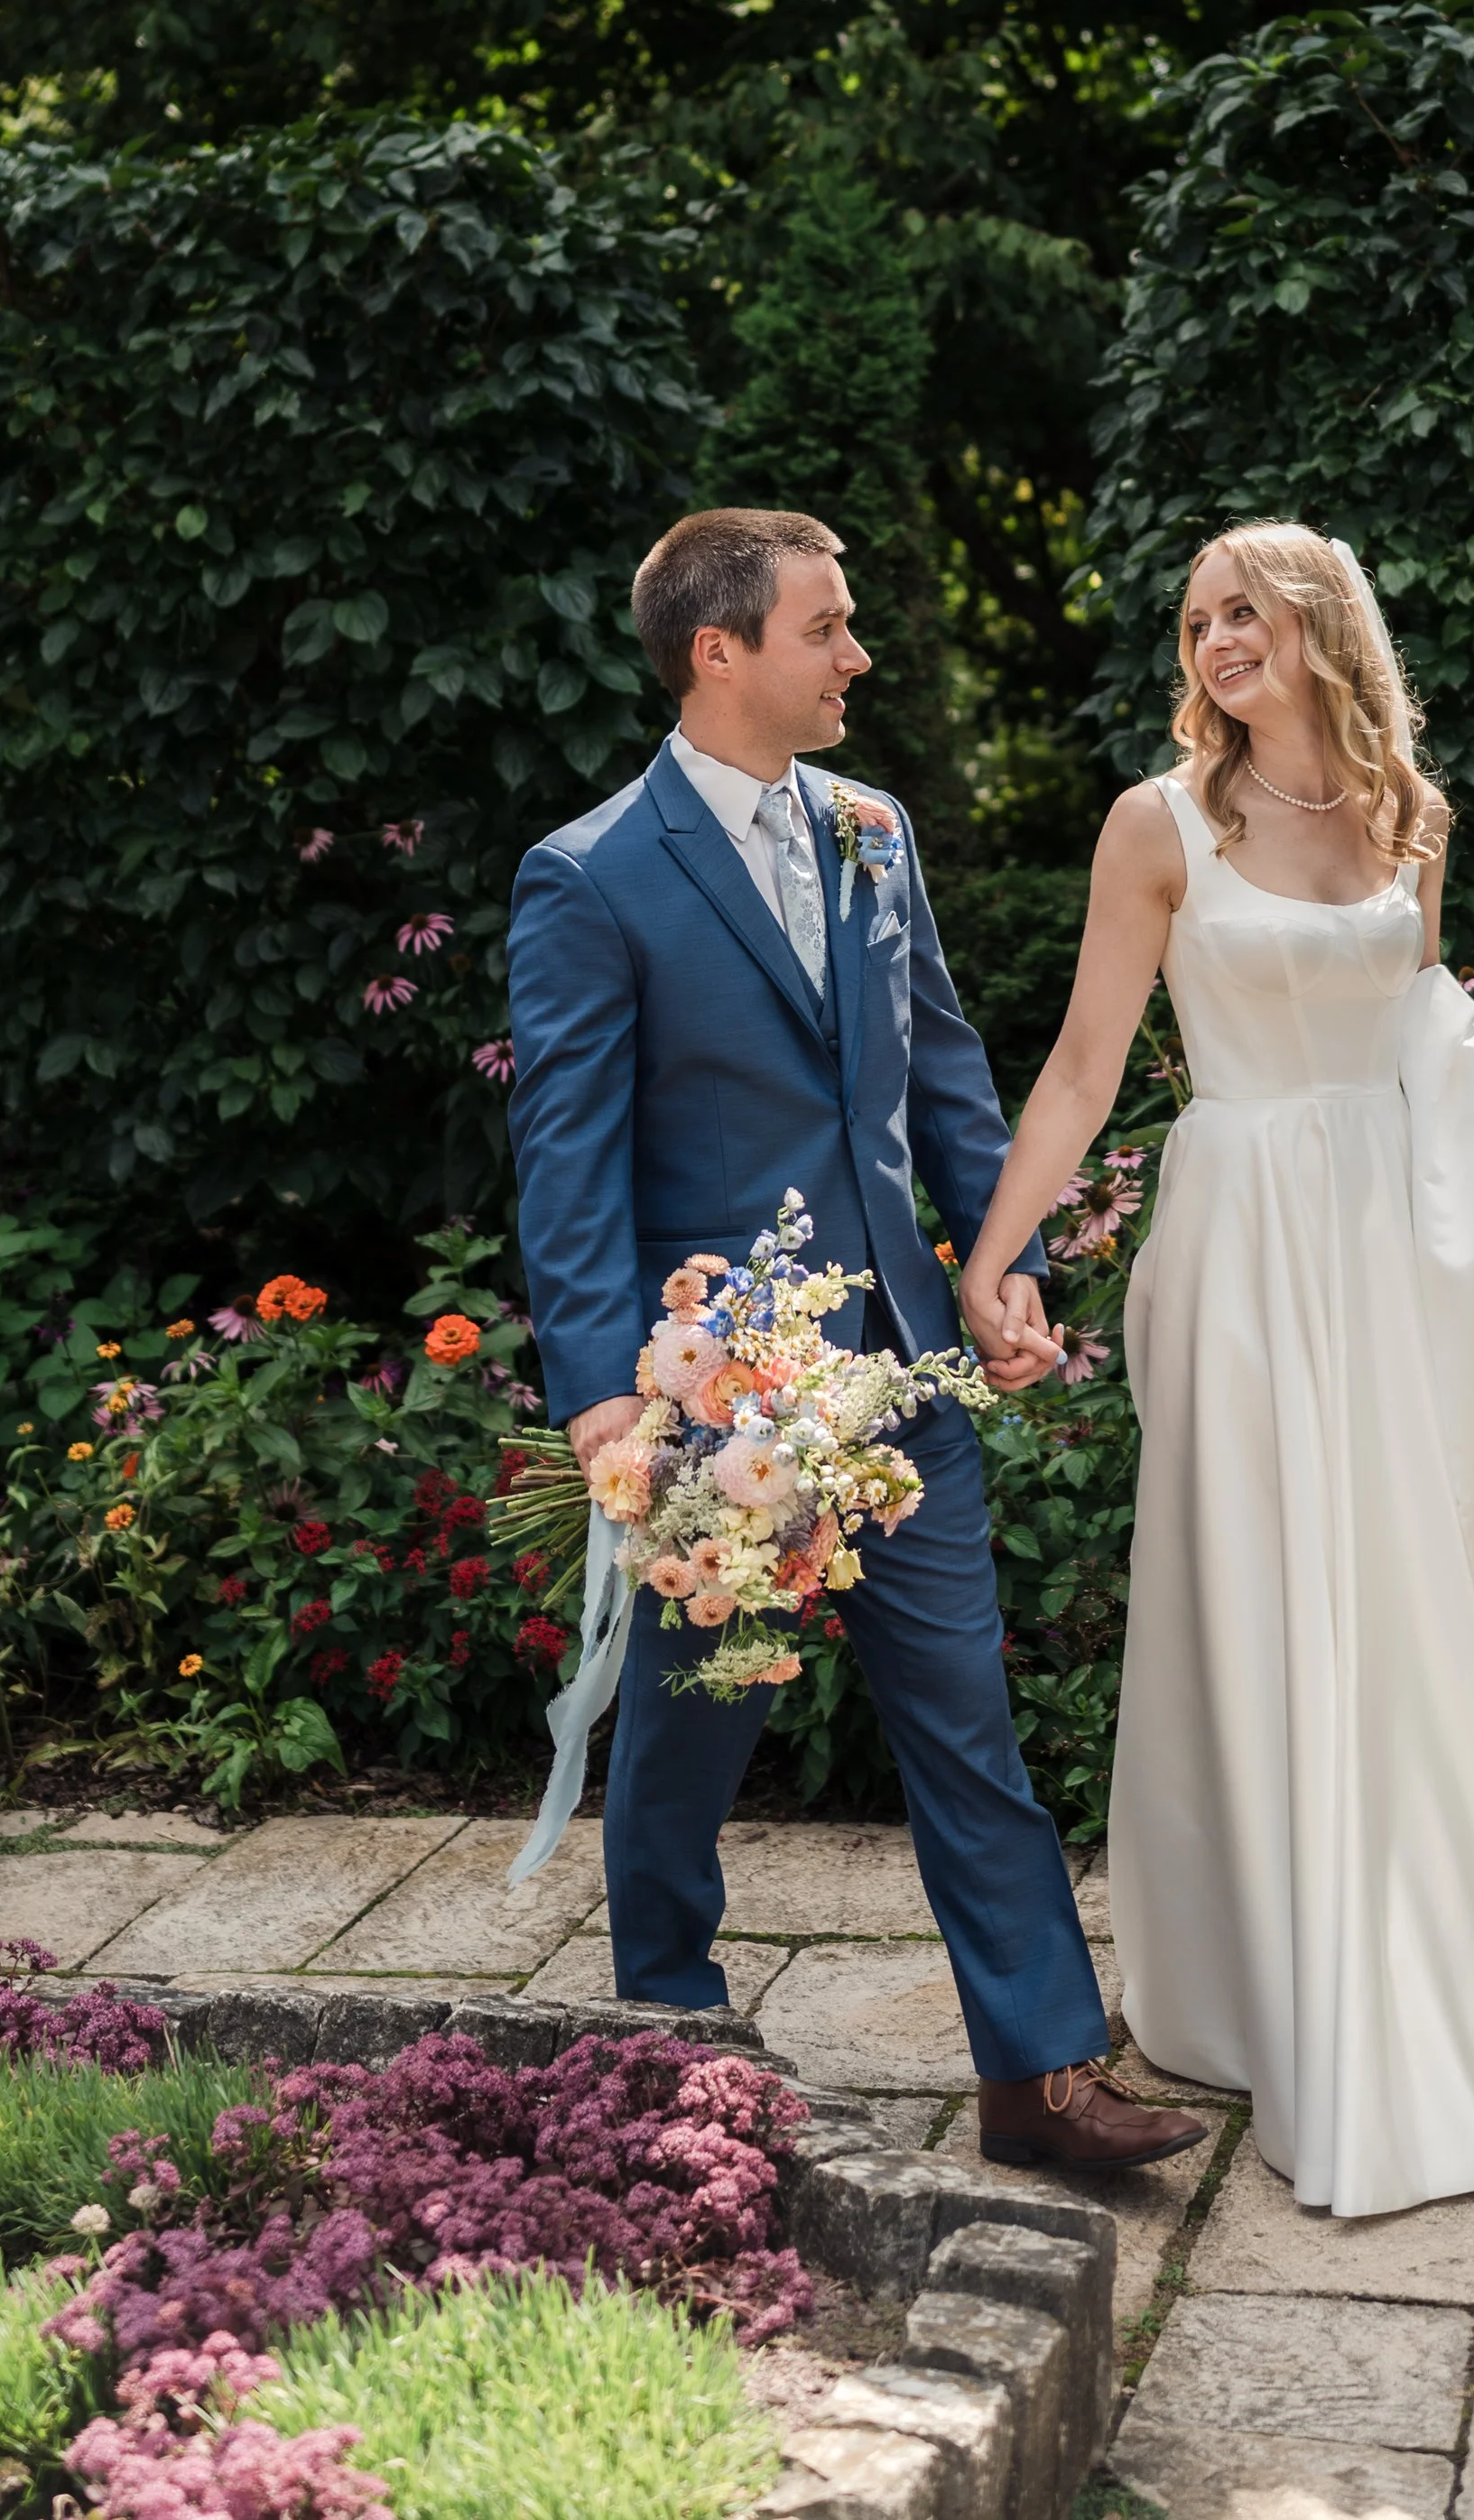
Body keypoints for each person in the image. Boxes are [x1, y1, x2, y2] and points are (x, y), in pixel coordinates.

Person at [961, 523, 1474, 2218]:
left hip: (1387, 1256)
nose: (1216, 641)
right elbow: (1084, 1067)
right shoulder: (1158, 826)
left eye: (1247, 613)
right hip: (1241, 1250)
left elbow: (1437, 1044)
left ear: (1319, 628)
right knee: (1270, 1599)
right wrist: (999, 1252)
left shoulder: (1402, 816)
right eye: (1199, 619)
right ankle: (1273, 1990)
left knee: (1397, 1600)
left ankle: (1425, 1989)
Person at [505, 506, 1205, 2173]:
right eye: (828, 627)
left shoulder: (876, 830)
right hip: (721, 1397)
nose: (859, 655)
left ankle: (1037, 2075)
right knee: (690, 1730)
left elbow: (942, 1072)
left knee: (968, 1718)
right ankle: (668, 2037)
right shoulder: (589, 875)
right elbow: (570, 1165)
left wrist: (1002, 1257)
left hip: (898, 1375)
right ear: (719, 649)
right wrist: (612, 1402)